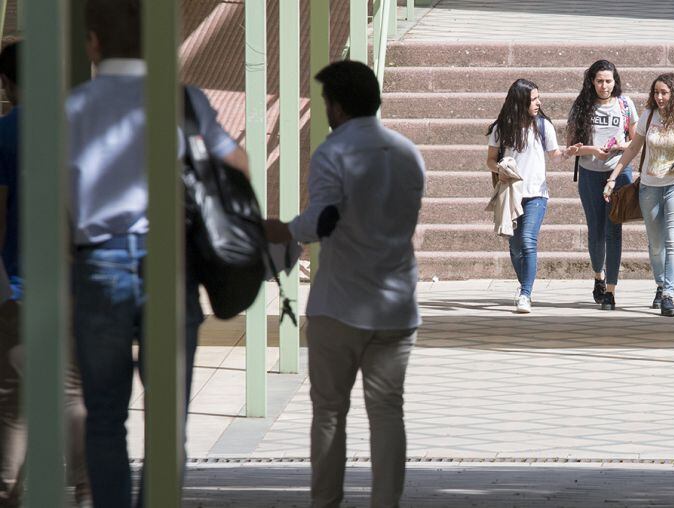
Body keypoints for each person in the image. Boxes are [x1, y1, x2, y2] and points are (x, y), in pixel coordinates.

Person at [67, 1, 249, 506]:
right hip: (169, 266)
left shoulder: (73, 107)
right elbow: (240, 166)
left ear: (94, 43)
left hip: (99, 263)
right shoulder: (184, 101)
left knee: (104, 415)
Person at [263, 60, 424, 508]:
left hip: (339, 305)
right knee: (388, 411)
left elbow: (321, 221)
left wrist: (281, 229)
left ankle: (326, 503)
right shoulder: (409, 153)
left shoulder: (333, 153)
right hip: (396, 306)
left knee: (330, 413)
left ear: (335, 106)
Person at [0, 39, 92, 508]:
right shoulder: (79, 133)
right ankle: (83, 486)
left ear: (7, 83)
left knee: (13, 393)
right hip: (75, 286)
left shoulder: (5, 134)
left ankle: (5, 486)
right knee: (69, 390)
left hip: (17, 285)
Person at [606, 73, 674, 317]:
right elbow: (633, 148)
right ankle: (660, 283)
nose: (660, 97)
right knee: (655, 244)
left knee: (673, 239)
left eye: (664, 93)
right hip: (650, 186)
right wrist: (612, 178)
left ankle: (668, 295)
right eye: (656, 93)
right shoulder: (648, 116)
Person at [485, 79, 578, 314]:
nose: (538, 102)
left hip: (537, 194)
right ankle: (523, 285)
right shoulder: (501, 128)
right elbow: (490, 160)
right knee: (515, 248)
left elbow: (554, 155)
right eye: (533, 99)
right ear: (520, 101)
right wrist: (501, 168)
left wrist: (568, 153)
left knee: (527, 241)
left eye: (538, 98)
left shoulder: (543, 125)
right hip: (511, 194)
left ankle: (525, 293)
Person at [565, 60, 638, 310]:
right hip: (589, 173)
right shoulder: (582, 106)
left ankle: (610, 291)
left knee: (614, 230)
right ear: (592, 82)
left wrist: (620, 146)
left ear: (615, 81)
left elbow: (636, 140)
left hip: (618, 173)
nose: (604, 86)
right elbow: (570, 145)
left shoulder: (625, 105)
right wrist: (592, 150)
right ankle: (598, 275)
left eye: (608, 81)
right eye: (599, 81)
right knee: (596, 230)